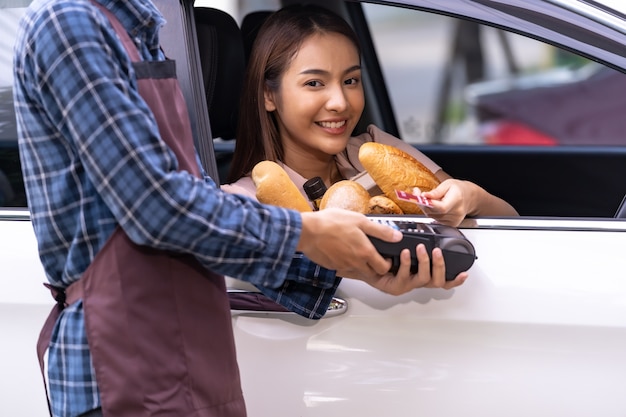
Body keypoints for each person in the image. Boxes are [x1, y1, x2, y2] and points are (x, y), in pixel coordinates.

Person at [13, 1, 453, 416]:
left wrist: (354, 264)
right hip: (124, 356)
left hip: (188, 350)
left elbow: (198, 212)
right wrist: (313, 234)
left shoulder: (139, 26)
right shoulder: (71, 22)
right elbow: (159, 208)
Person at [223, 4, 519, 229]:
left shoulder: (377, 150)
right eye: (314, 83)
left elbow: (508, 225)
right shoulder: (246, 202)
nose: (340, 102)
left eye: (351, 80)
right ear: (268, 95)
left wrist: (470, 197)